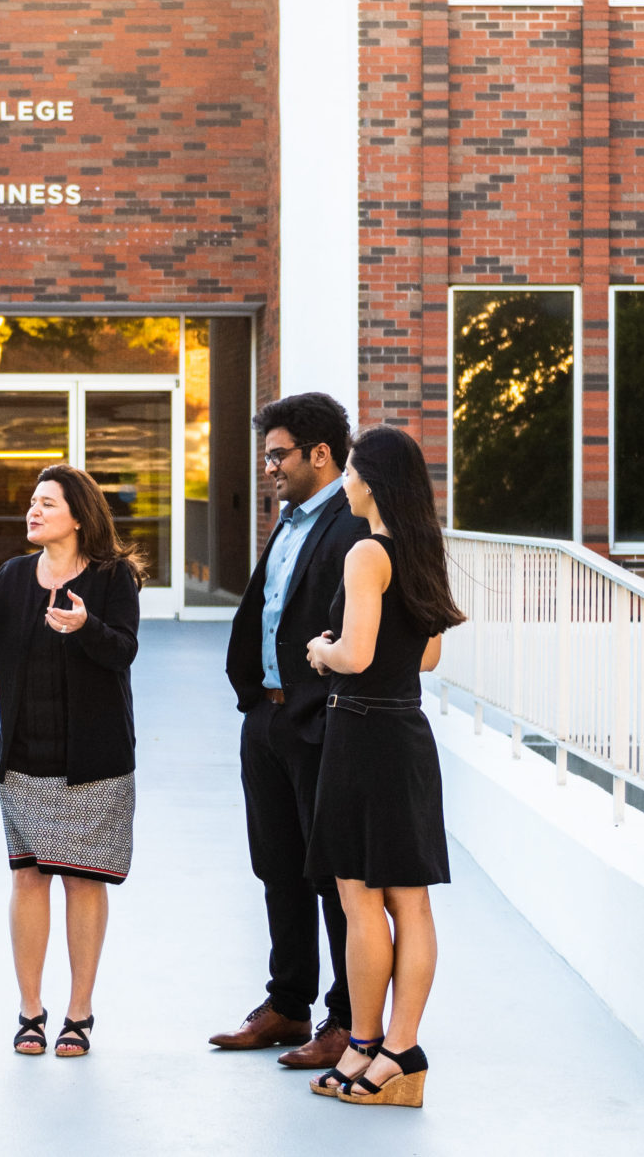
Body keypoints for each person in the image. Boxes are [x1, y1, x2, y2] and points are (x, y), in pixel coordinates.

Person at [0, 465, 144, 1060]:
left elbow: (124, 651)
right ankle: (30, 1011)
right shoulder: (11, 577)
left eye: (47, 504)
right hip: (24, 757)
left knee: (85, 881)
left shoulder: (113, 578)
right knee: (28, 877)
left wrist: (85, 627)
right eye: (32, 503)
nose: (33, 512)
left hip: (93, 763)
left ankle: (78, 1012)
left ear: (79, 516)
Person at [300, 425, 463, 1108]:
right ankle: (402, 1051)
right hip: (406, 730)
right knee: (410, 900)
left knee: (359, 898)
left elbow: (357, 656)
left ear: (370, 480)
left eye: (353, 470)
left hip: (362, 731)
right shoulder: (423, 549)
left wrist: (321, 648)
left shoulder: (367, 553)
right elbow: (425, 659)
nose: (346, 481)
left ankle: (365, 1044)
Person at [211, 392, 372, 1070]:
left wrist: (321, 703)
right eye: (267, 455)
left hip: (319, 721)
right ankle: (288, 1004)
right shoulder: (289, 521)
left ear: (320, 455)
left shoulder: (351, 527)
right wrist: (257, 701)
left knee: (331, 877)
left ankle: (344, 1018)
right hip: (268, 718)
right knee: (276, 866)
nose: (269, 467)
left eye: (279, 455)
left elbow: (358, 630)